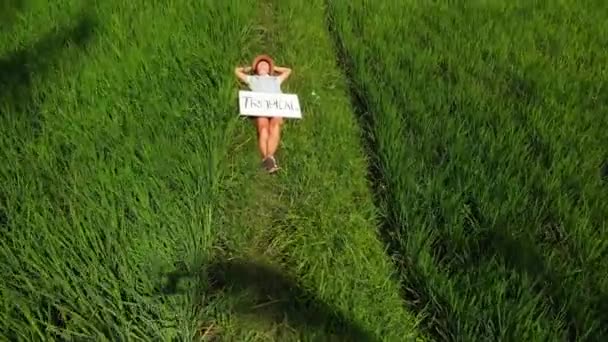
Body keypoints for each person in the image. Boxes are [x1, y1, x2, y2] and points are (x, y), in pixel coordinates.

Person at [235, 54, 292, 173]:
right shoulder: (252, 79)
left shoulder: (275, 79)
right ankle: (268, 159)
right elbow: (236, 71)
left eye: (265, 65)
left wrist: (274, 67)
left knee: (275, 126)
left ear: (269, 69)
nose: (263, 66)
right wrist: (249, 68)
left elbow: (288, 70)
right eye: (260, 64)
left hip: (276, 106)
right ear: (256, 68)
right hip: (260, 107)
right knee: (263, 128)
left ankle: (269, 156)